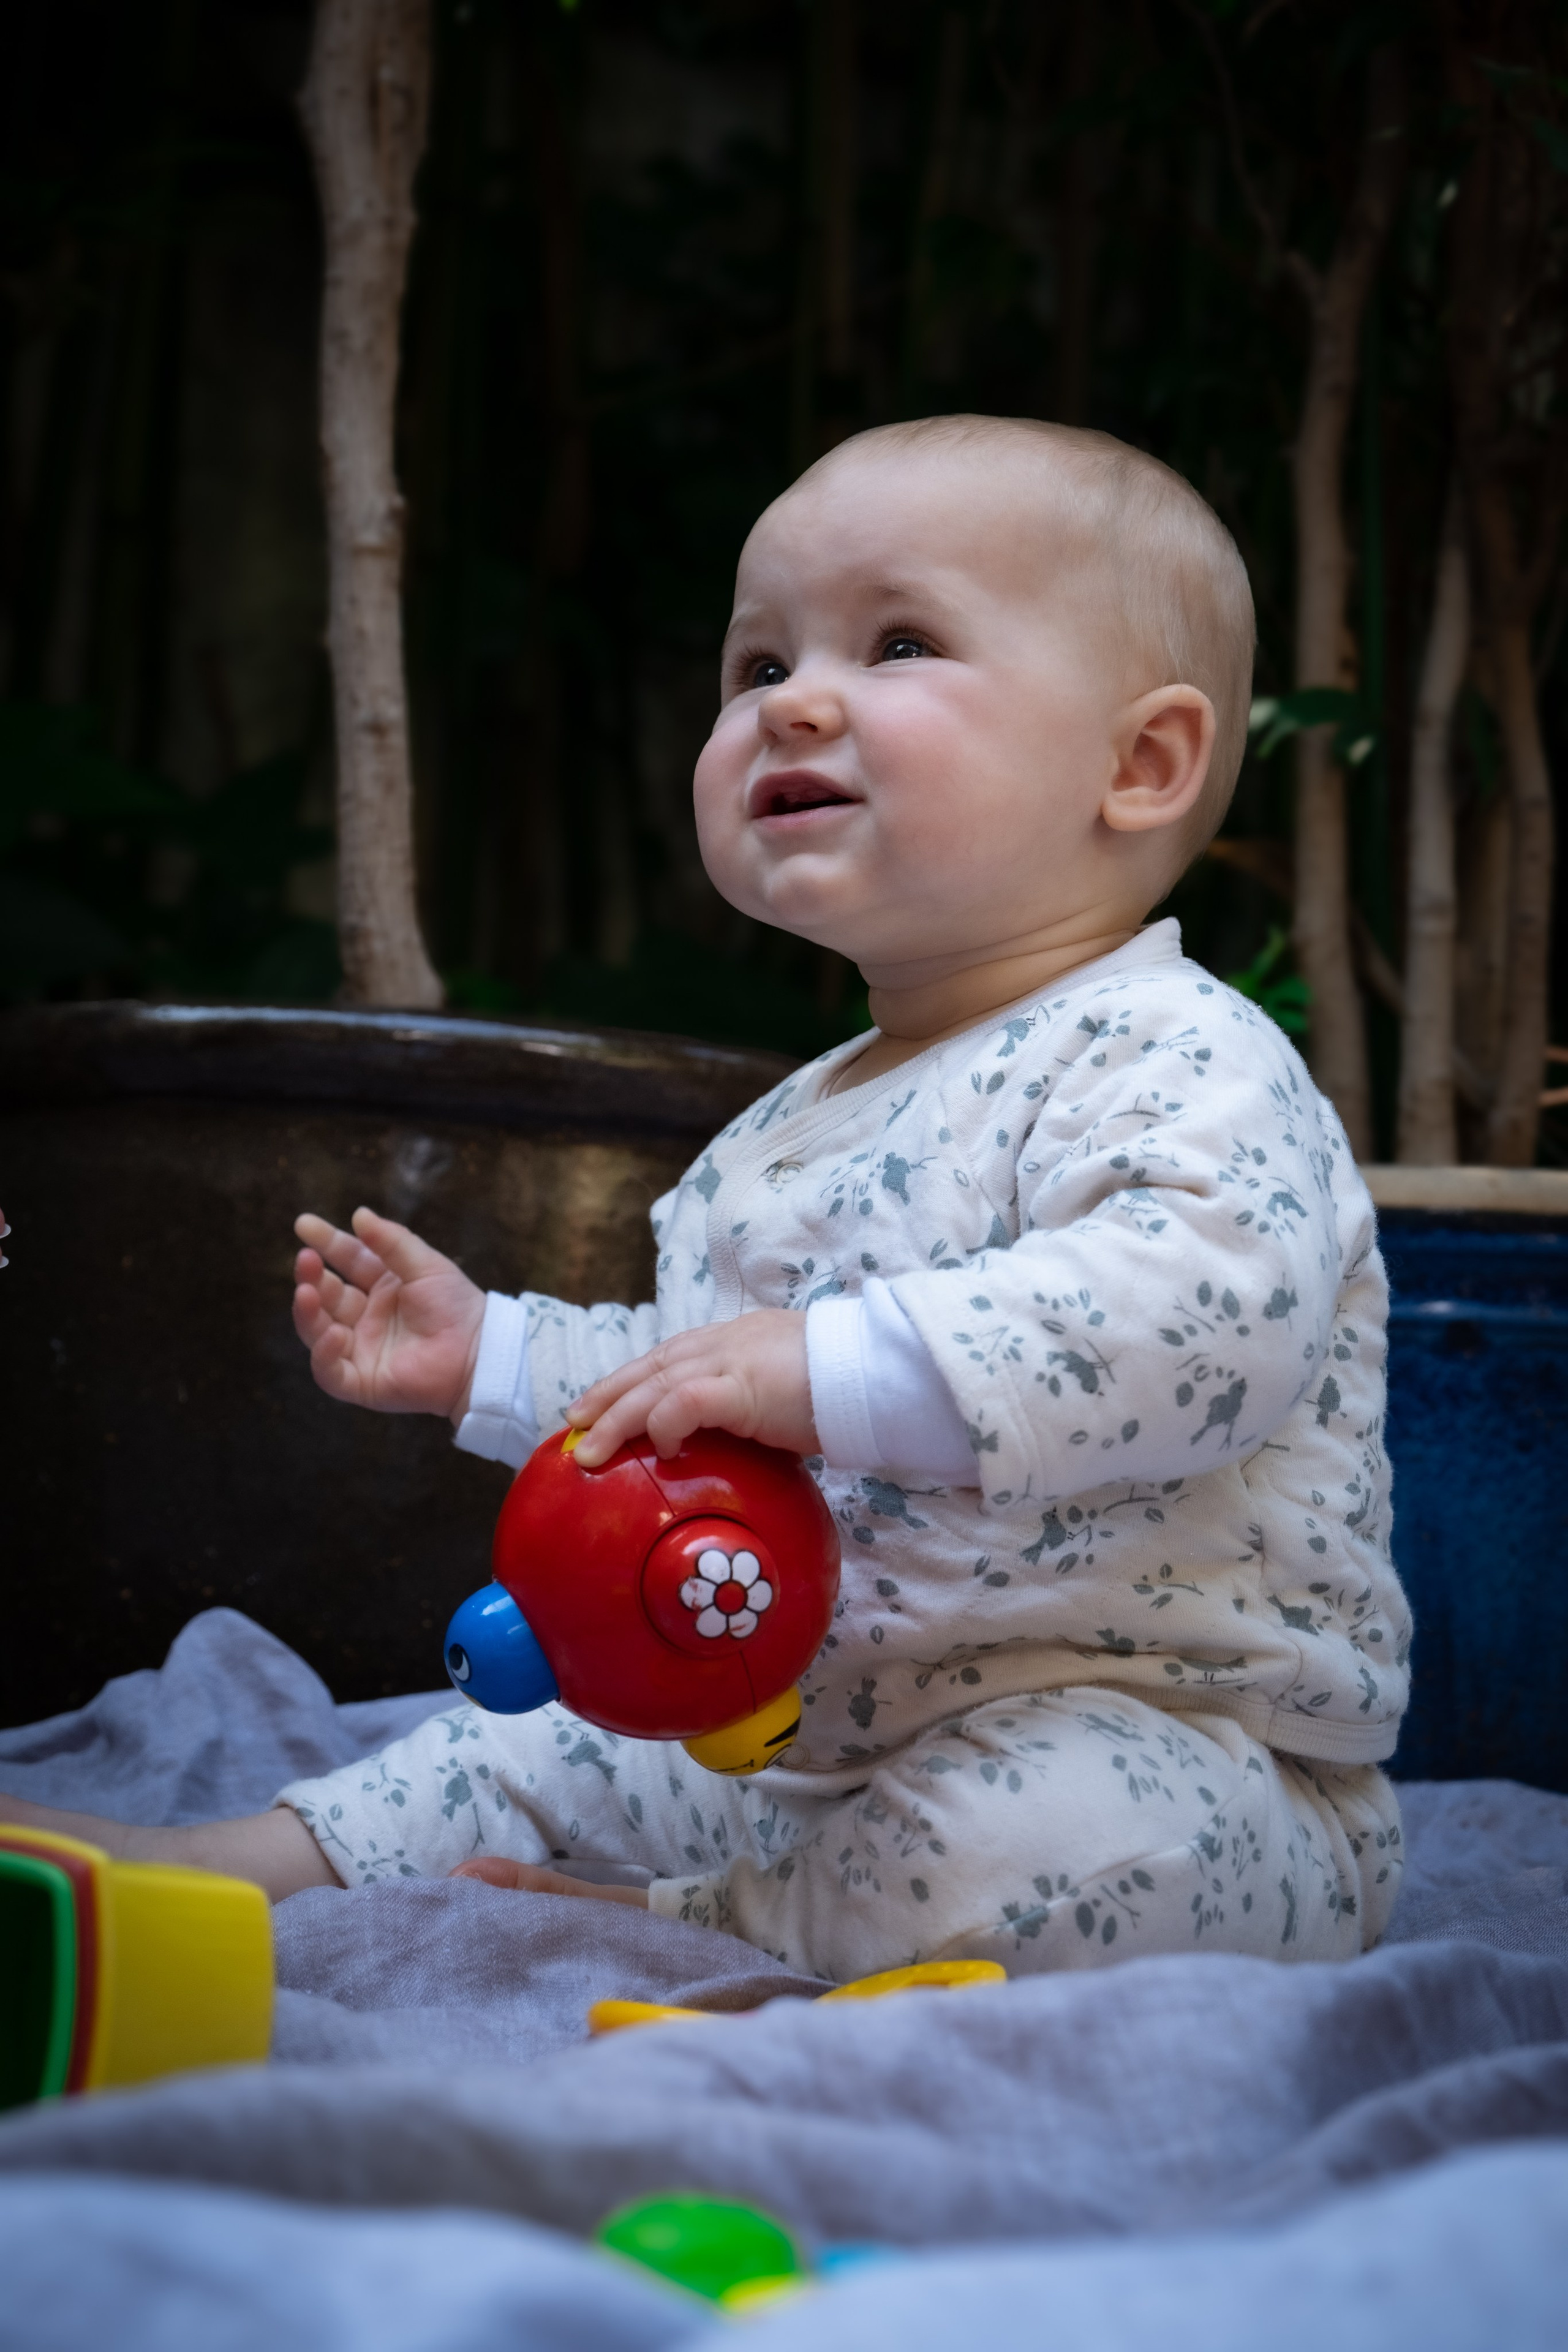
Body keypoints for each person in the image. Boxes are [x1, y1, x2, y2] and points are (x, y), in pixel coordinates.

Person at [3, 417, 1409, 1982]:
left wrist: (818, 1372)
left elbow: (1200, 1317)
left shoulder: (1174, 1048)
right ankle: (250, 1864)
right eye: (753, 668)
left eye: (897, 642)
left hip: (1157, 1737)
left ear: (1136, 764)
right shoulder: (780, 1130)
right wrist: (488, 1357)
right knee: (534, 1740)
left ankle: (717, 1926)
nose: (792, 699)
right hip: (796, 1728)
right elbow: (704, 1376)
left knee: (1056, 1846)